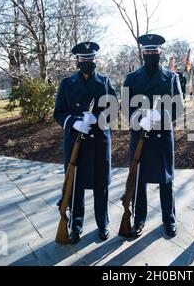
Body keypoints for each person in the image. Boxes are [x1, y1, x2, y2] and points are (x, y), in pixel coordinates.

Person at [53, 41, 117, 243]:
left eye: (91, 59)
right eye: (84, 59)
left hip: (99, 141)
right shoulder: (66, 83)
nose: (88, 62)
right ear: (77, 61)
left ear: (95, 60)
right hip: (75, 142)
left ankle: (103, 224)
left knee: (101, 186)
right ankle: (76, 226)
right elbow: (59, 113)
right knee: (75, 185)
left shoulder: (105, 83)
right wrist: (74, 123)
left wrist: (98, 118)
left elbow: (114, 110)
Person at [122, 34, 183, 238]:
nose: (151, 55)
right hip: (140, 136)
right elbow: (124, 108)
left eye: (154, 52)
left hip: (162, 136)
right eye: (147, 52)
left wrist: (161, 116)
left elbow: (179, 108)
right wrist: (139, 119)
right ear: (143, 53)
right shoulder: (131, 79)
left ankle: (169, 219)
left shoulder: (171, 77)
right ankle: (139, 219)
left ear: (160, 53)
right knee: (140, 179)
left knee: (166, 181)